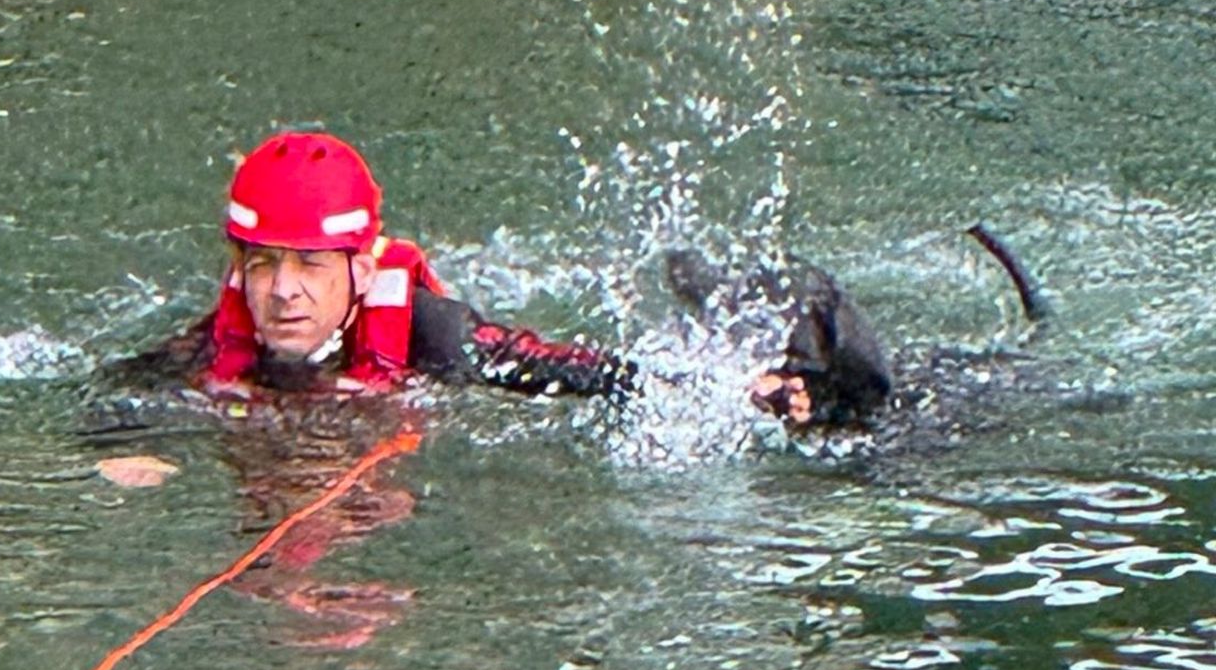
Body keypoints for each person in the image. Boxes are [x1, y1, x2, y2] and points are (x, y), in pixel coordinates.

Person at [130, 129, 889, 425]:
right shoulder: (222, 338)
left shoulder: (436, 334)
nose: (283, 290)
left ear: (362, 268)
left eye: (308, 264)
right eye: (262, 265)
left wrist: (724, 392)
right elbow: (113, 392)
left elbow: (573, 368)